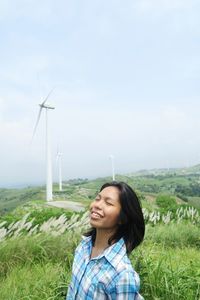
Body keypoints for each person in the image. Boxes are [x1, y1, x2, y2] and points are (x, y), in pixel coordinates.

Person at [66, 181, 145, 299]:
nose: (96, 205)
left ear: (122, 218)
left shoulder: (122, 275)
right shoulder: (83, 247)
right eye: (97, 199)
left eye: (108, 203)